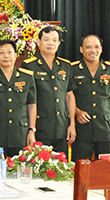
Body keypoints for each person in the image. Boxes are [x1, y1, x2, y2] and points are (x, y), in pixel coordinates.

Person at [67, 34, 110, 160]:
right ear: (81, 49)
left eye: (96, 47)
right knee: (81, 166)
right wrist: (77, 111)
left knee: (107, 167)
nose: (93, 50)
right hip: (82, 129)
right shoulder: (72, 70)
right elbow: (67, 96)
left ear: (101, 49)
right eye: (88, 47)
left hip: (106, 128)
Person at [21, 26, 73, 155]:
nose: (51, 43)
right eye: (46, 40)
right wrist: (30, 129)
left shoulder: (65, 66)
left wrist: (72, 123)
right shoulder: (29, 66)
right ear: (38, 42)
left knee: (62, 164)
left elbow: (69, 95)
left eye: (55, 40)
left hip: (61, 127)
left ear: (59, 43)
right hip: (40, 127)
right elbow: (25, 100)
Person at [0, 40, 37, 157]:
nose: (6, 56)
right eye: (1, 53)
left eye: (9, 52)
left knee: (21, 166)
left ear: (15, 55)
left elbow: (32, 104)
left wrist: (31, 130)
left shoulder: (27, 77)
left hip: (20, 134)